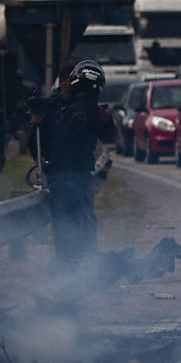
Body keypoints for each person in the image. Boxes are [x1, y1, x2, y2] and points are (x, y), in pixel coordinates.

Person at [41, 61, 114, 268]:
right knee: (82, 220)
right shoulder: (78, 108)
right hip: (78, 174)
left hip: (67, 175)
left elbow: (62, 138)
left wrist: (43, 122)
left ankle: (74, 266)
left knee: (68, 222)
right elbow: (109, 137)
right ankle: (83, 264)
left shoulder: (78, 111)